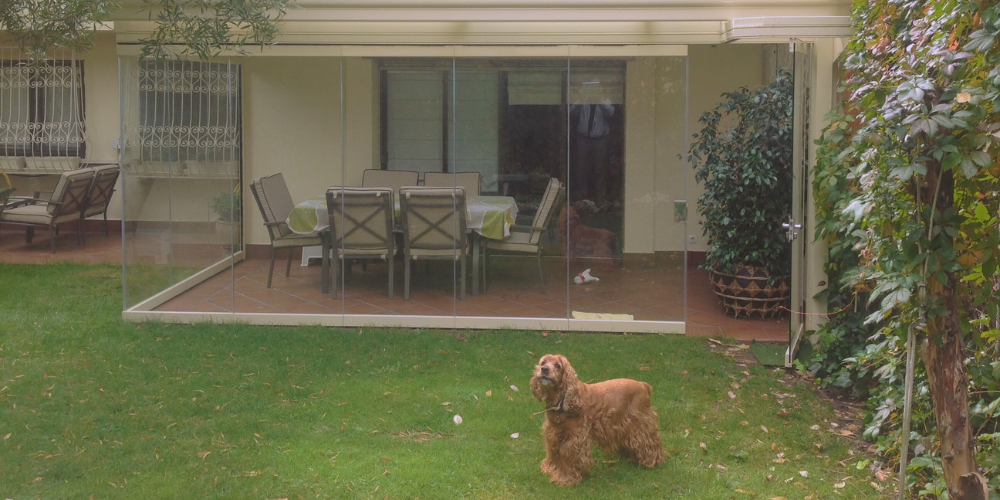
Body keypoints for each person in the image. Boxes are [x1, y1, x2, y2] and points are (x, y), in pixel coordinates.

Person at [569, 82, 614, 204]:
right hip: (583, 138)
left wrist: (599, 99)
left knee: (600, 168)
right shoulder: (583, 101)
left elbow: (610, 112)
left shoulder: (606, 100)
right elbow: (571, 112)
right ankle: (583, 195)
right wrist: (582, 98)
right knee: (582, 167)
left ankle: (600, 196)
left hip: (600, 139)